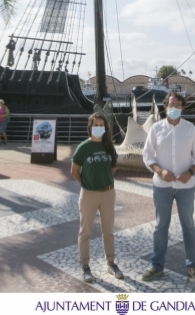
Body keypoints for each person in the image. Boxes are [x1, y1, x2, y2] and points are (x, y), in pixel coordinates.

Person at [141, 91, 195, 285]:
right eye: (171, 104)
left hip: (186, 186)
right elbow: (147, 155)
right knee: (161, 226)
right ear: (165, 106)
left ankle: (193, 266)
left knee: (189, 227)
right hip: (162, 185)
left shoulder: (190, 129)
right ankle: (156, 265)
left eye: (178, 104)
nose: (174, 107)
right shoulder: (156, 129)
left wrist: (191, 172)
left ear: (183, 107)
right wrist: (160, 171)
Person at [71, 113, 123, 283]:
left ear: (105, 128)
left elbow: (114, 166)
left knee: (108, 231)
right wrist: (86, 183)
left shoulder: (108, 146)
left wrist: (103, 177)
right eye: (96, 125)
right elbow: (74, 171)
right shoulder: (83, 147)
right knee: (85, 231)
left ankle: (111, 263)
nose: (99, 128)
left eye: (102, 125)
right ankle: (85, 266)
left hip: (108, 193)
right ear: (90, 126)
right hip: (89, 194)